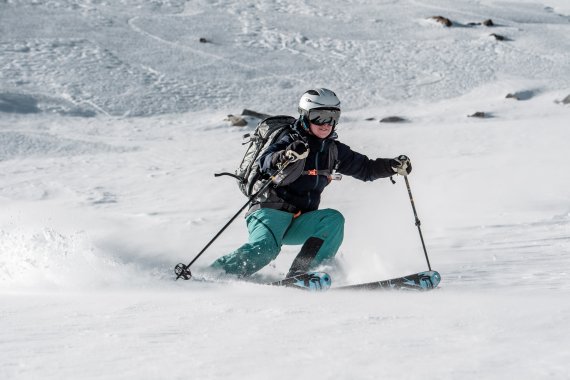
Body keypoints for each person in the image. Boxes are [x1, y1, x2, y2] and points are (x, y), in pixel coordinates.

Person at [211, 88, 411, 278]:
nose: (326, 124)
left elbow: (366, 168)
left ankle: (302, 273)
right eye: (319, 116)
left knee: (333, 220)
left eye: (333, 117)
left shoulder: (333, 150)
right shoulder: (289, 139)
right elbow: (266, 161)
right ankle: (213, 273)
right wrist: (286, 155)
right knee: (266, 249)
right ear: (305, 116)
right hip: (269, 211)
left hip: (300, 219)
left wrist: (392, 166)